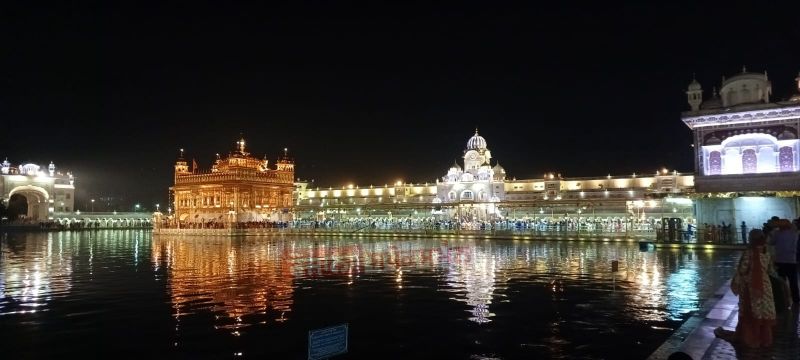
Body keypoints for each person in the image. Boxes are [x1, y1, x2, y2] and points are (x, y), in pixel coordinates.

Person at [715, 229, 776, 348]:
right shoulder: (767, 252)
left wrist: (736, 282)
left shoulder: (749, 252)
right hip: (765, 286)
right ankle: (764, 339)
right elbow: (770, 270)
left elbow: (743, 269)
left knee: (751, 312)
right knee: (763, 312)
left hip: (751, 287)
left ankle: (751, 339)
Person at [772, 219, 799, 305]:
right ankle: (796, 299)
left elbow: (771, 242)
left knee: (781, 282)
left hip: (780, 260)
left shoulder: (777, 233)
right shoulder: (794, 233)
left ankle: (783, 300)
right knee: (793, 282)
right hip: (791, 260)